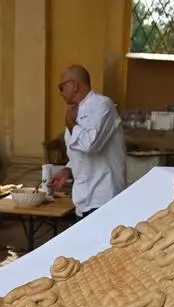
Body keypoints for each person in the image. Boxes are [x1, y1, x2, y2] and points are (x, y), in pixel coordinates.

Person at [48, 64, 126, 220]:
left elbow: (90, 144)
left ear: (74, 85)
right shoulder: (74, 111)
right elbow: (79, 154)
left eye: (61, 87)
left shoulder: (102, 105)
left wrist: (70, 123)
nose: (60, 93)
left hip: (103, 198)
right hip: (82, 199)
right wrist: (67, 170)